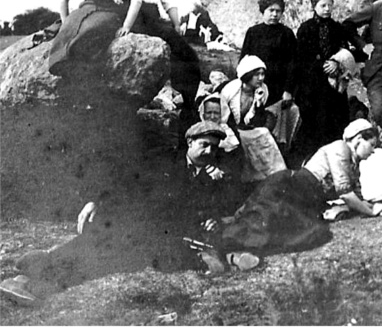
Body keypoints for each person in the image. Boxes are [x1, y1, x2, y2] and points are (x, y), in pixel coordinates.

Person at [0, 122, 251, 305]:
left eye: (213, 148)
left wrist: (210, 220)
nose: (208, 152)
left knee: (111, 259)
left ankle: (38, 269)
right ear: (190, 143)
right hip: (134, 219)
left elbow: (207, 210)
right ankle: (34, 280)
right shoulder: (163, 161)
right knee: (103, 250)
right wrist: (94, 201)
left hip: (161, 234)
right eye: (204, 145)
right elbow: (124, 179)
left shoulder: (208, 178)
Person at [209, 119, 382, 267]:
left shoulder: (353, 161)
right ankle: (223, 248)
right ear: (358, 139)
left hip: (305, 198)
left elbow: (355, 195)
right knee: (269, 221)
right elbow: (345, 193)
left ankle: (235, 252)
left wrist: (375, 207)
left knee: (303, 232)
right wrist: (371, 211)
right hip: (289, 188)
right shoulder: (340, 148)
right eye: (372, 145)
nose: (373, 151)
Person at [115, 0, 202, 128]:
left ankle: (187, 105)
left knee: (187, 55)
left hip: (152, 15)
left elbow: (168, 0)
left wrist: (177, 23)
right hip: (130, 12)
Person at [294, 0, 354, 160]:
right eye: (323, 5)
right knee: (314, 123)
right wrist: (322, 65)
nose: (327, 9)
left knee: (336, 122)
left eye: (330, 5)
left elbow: (345, 51)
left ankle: (336, 159)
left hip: (334, 85)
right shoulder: (306, 28)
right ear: (314, 7)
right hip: (312, 84)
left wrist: (337, 63)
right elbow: (302, 57)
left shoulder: (338, 28)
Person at [239, 0, 301, 152]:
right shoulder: (253, 32)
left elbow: (293, 64)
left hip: (278, 88)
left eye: (278, 11)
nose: (274, 14)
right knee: (255, 121)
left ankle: (277, 155)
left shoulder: (286, 34)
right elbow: (244, 60)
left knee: (275, 123)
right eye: (270, 10)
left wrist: (288, 90)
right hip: (256, 86)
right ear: (262, 11)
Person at [220, 56, 287, 183]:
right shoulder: (230, 90)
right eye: (257, 74)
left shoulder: (263, 90)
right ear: (247, 75)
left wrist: (258, 104)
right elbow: (224, 117)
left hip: (247, 128)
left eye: (263, 74)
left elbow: (258, 122)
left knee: (265, 134)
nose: (261, 78)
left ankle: (274, 175)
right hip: (229, 127)